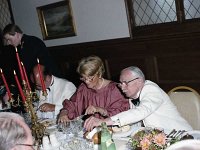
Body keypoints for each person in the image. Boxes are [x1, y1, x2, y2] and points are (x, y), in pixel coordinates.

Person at [84, 66, 193, 132]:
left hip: (180, 137)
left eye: (126, 83)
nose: (122, 87)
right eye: (121, 83)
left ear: (140, 81)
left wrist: (103, 122)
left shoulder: (151, 89)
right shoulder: (133, 97)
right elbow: (136, 120)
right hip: (158, 139)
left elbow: (141, 111)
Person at [58, 55, 129, 123]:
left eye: (90, 78)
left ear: (99, 74)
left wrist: (99, 109)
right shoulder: (83, 88)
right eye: (83, 78)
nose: (86, 81)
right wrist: (64, 112)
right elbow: (72, 104)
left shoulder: (114, 89)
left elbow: (121, 113)